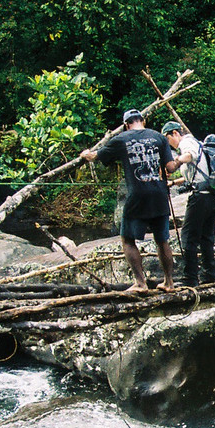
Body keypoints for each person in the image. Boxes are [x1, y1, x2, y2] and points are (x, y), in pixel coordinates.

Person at [81, 109, 180, 292]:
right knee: (162, 240)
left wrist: (86, 154)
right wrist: (182, 160)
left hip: (138, 194)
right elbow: (170, 167)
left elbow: (96, 156)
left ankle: (141, 283)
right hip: (159, 194)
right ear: (143, 120)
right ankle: (169, 282)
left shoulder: (122, 139)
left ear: (126, 124)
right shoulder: (158, 137)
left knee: (127, 239)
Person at [161, 121, 215, 287]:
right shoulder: (198, 143)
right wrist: (173, 183)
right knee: (206, 236)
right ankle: (210, 274)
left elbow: (190, 155)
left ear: (174, 133)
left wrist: (176, 162)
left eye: (168, 139)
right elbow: (195, 175)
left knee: (188, 237)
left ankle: (190, 278)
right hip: (213, 196)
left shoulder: (186, 142)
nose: (169, 144)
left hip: (200, 197)